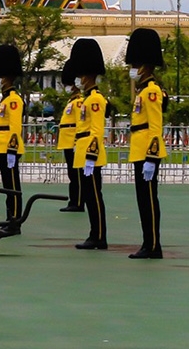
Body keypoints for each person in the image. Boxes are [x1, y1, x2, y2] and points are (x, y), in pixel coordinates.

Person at [125, 28, 166, 259]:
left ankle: (152, 245)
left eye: (135, 65)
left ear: (145, 65)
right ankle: (148, 242)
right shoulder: (144, 91)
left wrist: (151, 156)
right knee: (143, 200)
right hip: (140, 151)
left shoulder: (151, 92)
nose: (132, 70)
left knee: (148, 199)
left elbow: (155, 126)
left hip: (146, 153)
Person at [70, 38, 109, 249]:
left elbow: (96, 130)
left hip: (89, 154)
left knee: (94, 197)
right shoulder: (87, 98)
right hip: (83, 151)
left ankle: (99, 235)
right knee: (89, 196)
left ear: (86, 75)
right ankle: (95, 233)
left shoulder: (95, 99)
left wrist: (91, 157)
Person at [0, 44, 25, 222]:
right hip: (1, 146)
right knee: (7, 185)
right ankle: (10, 216)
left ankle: (15, 219)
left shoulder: (13, 100)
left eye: (1, 76)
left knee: (12, 185)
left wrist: (12, 149)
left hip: (8, 147)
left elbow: (15, 127)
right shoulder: (6, 99)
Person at [56, 62, 84, 212]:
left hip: (73, 142)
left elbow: (79, 123)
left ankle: (78, 201)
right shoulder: (72, 101)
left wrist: (75, 142)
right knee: (72, 174)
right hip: (67, 142)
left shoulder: (79, 102)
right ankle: (74, 200)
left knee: (76, 175)